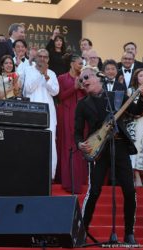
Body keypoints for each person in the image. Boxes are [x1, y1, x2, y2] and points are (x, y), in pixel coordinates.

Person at [74, 65, 143, 245]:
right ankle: (82, 231)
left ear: (97, 78)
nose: (83, 81)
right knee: (94, 191)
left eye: (86, 77)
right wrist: (79, 143)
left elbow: (136, 111)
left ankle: (129, 233)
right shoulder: (82, 105)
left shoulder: (116, 96)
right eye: (81, 80)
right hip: (98, 151)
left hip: (120, 146)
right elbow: (77, 132)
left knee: (130, 190)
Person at [21, 49, 59, 180]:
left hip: (49, 112)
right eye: (40, 56)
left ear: (48, 59)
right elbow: (27, 89)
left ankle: (50, 175)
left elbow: (55, 91)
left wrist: (46, 75)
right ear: (35, 58)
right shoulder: (28, 70)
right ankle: (31, 172)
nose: (43, 59)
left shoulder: (52, 73)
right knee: (31, 141)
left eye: (45, 57)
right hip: (32, 111)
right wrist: (40, 74)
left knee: (50, 142)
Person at [56, 54, 87, 193]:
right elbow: (60, 97)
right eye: (80, 63)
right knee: (68, 145)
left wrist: (83, 87)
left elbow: (89, 95)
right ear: (72, 63)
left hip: (81, 116)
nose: (81, 66)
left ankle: (79, 181)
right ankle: (67, 181)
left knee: (79, 146)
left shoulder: (85, 77)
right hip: (66, 115)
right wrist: (74, 87)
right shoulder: (62, 78)